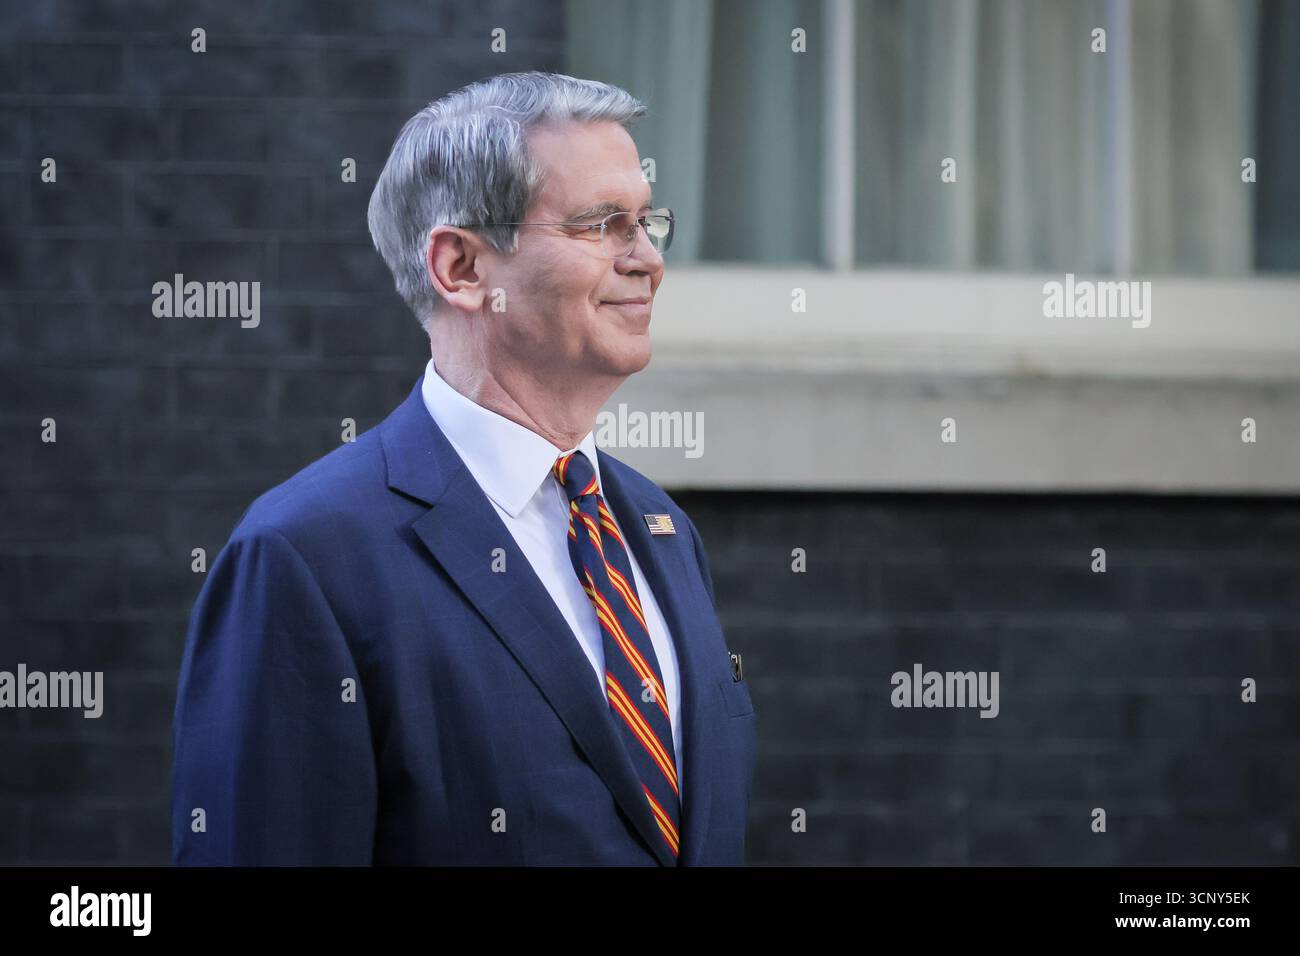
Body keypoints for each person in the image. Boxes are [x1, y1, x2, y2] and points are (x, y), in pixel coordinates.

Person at [171, 72, 756, 866]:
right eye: (603, 225)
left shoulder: (660, 531)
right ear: (462, 269)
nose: (648, 259)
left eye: (648, 221)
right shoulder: (303, 557)